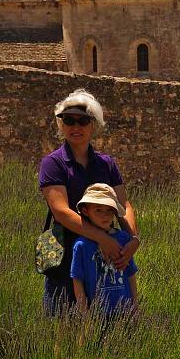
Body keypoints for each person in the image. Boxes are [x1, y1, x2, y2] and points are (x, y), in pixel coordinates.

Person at [38, 89, 140, 315]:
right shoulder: (53, 163)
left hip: (107, 260)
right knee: (63, 327)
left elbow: (124, 205)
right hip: (66, 259)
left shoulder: (106, 163)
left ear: (93, 124)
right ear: (61, 125)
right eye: (69, 120)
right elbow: (61, 212)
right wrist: (102, 237)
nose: (76, 126)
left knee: (110, 325)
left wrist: (133, 239)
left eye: (83, 121)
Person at [71, 183, 138, 315]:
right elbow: (77, 281)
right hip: (97, 313)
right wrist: (84, 315)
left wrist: (135, 306)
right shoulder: (81, 245)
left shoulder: (123, 239)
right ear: (85, 211)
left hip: (124, 311)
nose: (105, 215)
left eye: (110, 210)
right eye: (98, 210)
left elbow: (130, 274)